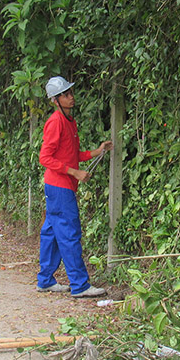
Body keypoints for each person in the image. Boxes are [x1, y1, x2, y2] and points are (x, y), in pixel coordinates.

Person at [37, 76, 113, 298]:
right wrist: (74, 173)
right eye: (66, 94)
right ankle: (80, 285)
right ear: (55, 100)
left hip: (59, 187)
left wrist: (98, 151)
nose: (71, 97)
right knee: (69, 233)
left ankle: (45, 280)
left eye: (70, 93)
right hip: (60, 188)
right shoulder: (55, 122)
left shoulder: (70, 121)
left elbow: (72, 155)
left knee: (51, 233)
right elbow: (45, 157)